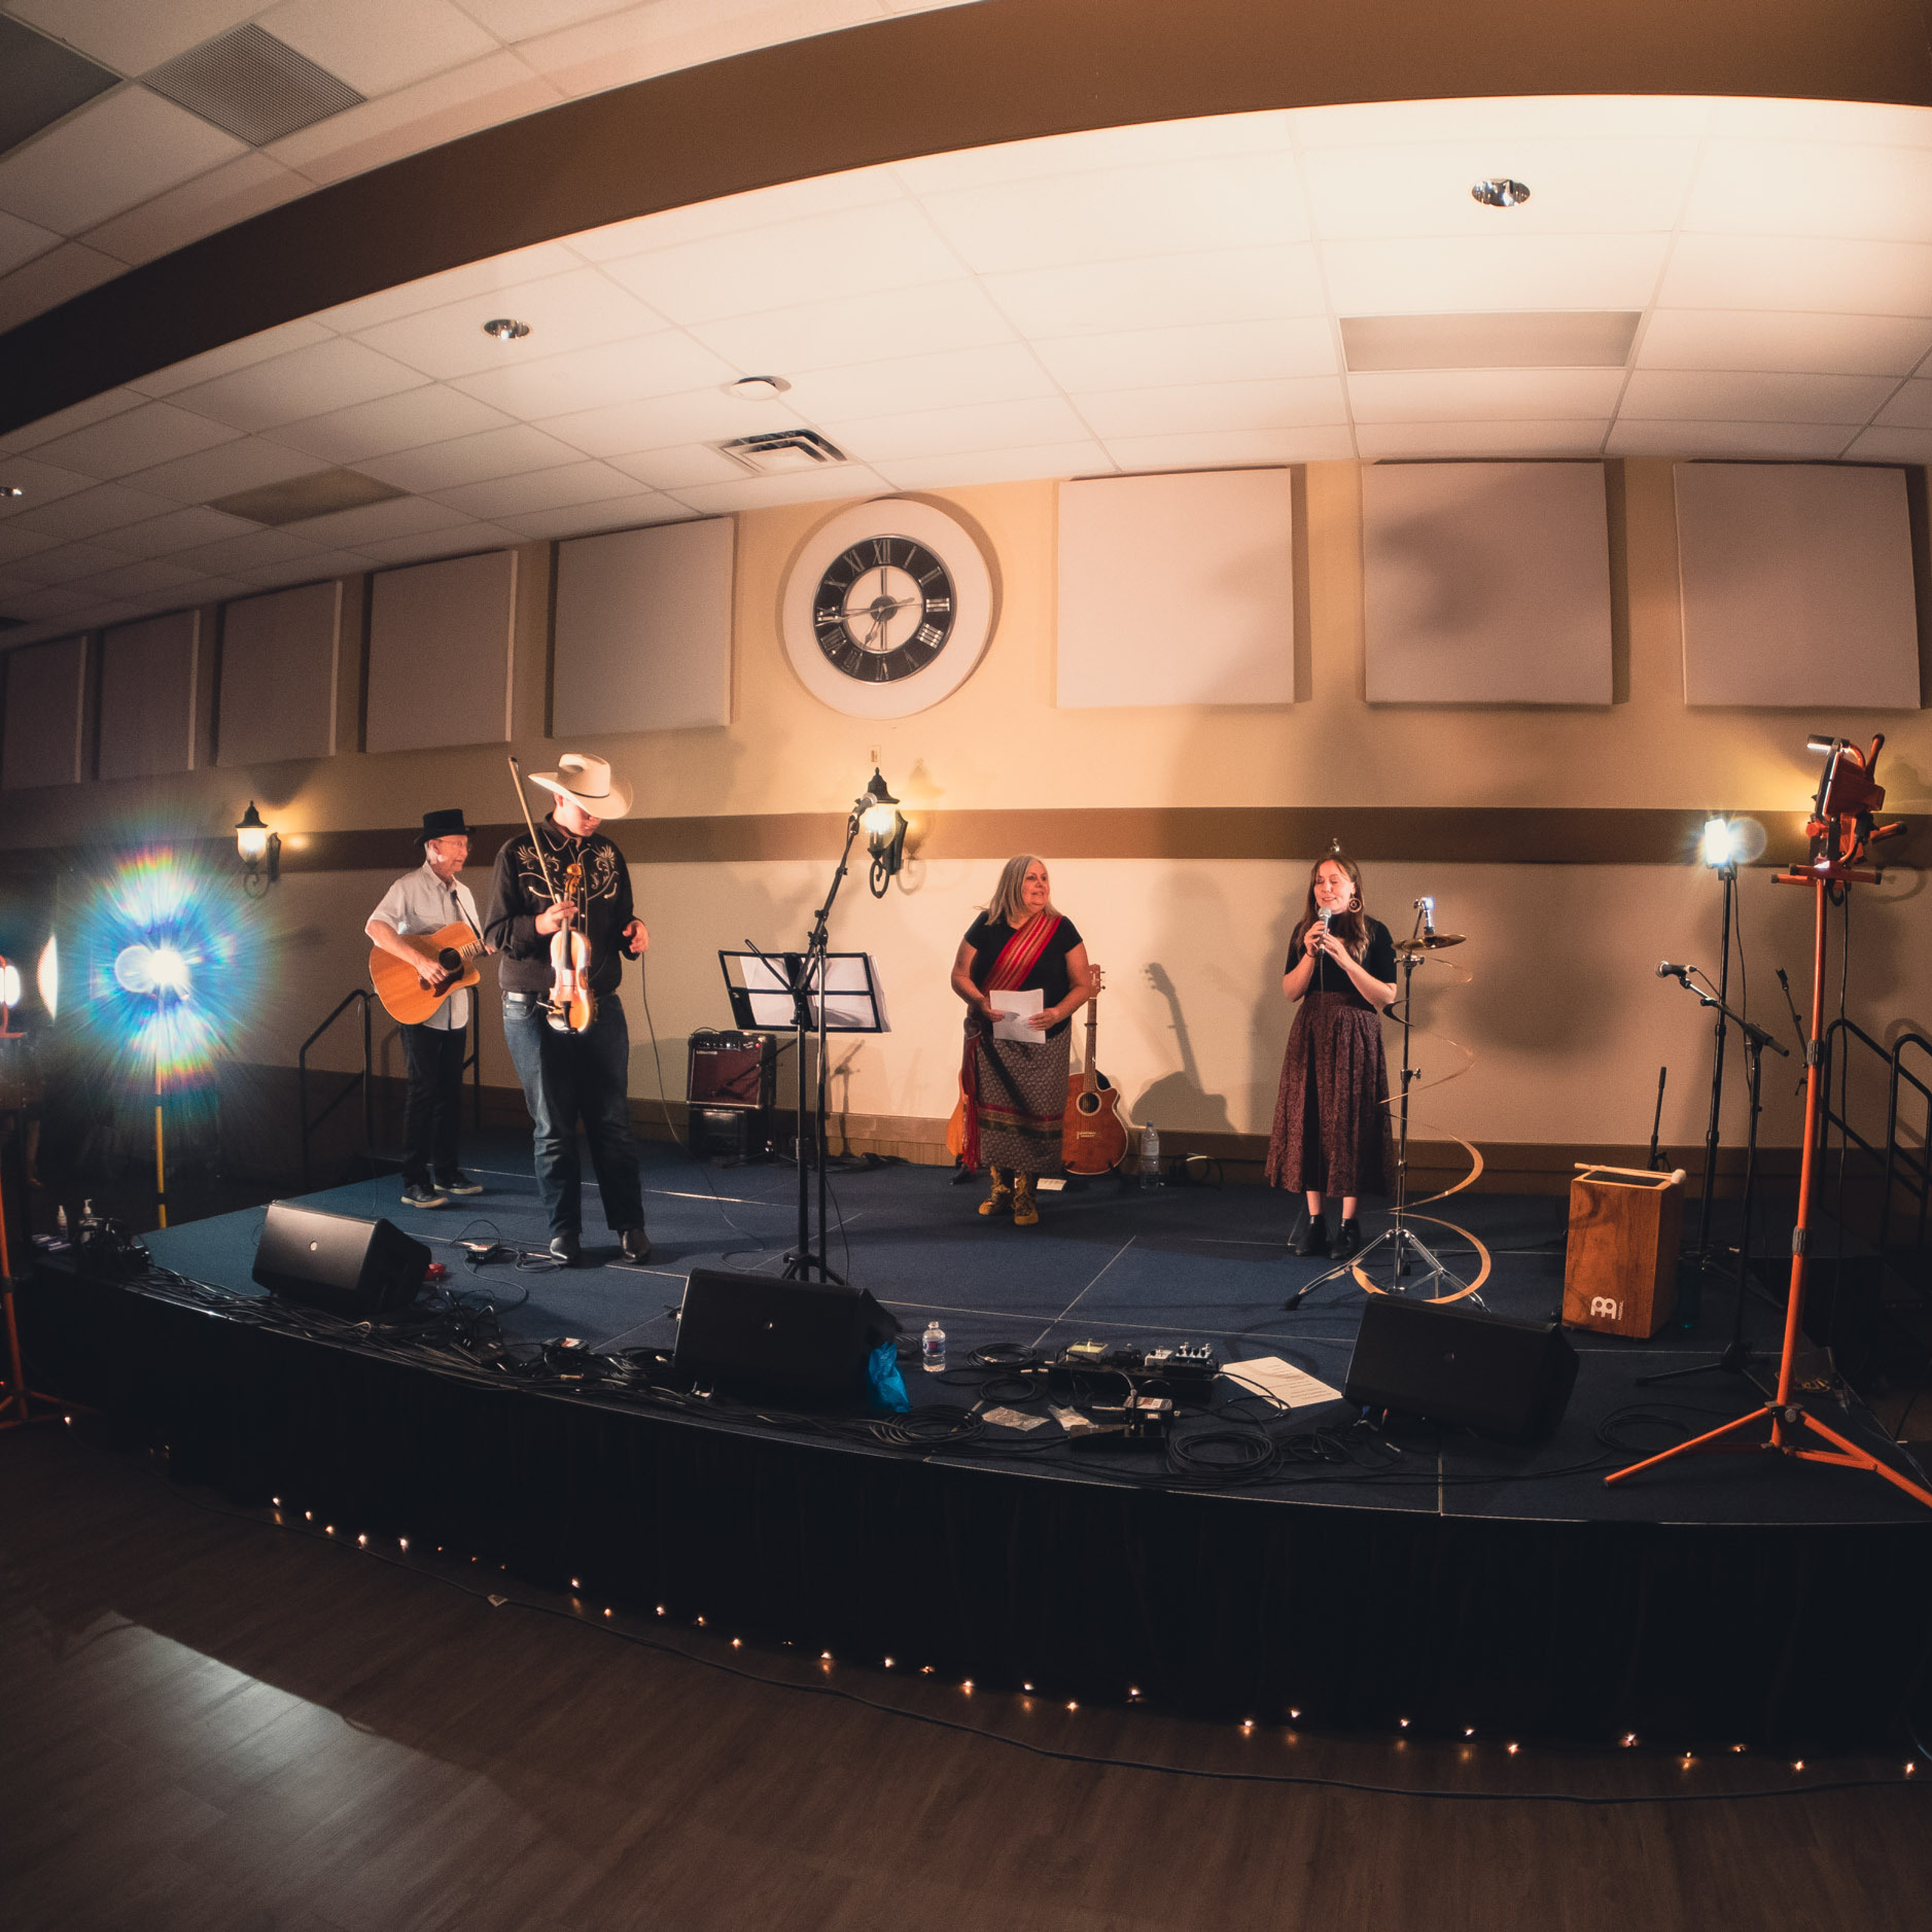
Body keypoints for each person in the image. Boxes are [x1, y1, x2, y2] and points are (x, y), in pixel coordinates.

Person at [484, 753, 651, 1268]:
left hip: (599, 1001)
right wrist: (538, 926)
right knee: (553, 1125)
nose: (595, 817)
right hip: (534, 1006)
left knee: (613, 1121)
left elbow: (620, 920)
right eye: (585, 806)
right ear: (560, 798)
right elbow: (493, 936)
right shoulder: (516, 852)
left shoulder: (608, 853)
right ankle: (564, 1232)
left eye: (600, 808)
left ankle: (630, 1227)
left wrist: (634, 933)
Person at [1266, 850, 1398, 1260]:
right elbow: (1290, 992)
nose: (1326, 888)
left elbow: (1386, 996)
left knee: (1350, 1123)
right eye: (1320, 881)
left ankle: (1350, 1223)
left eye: (1335, 880)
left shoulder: (1375, 933)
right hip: (1311, 1032)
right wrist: (1309, 953)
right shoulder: (1303, 932)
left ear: (1354, 888)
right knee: (1311, 1119)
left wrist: (1345, 958)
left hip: (1356, 1032)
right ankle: (1315, 1221)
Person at [949, 856, 1093, 1226]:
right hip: (995, 1037)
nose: (1041, 885)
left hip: (1046, 1038)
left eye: (1044, 878)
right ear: (1013, 882)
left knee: (1036, 1115)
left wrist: (1058, 1013)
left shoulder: (1061, 928)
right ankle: (1001, 1188)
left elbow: (1083, 984)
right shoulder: (986, 925)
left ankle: (1027, 1193)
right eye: (1032, 878)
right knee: (995, 1114)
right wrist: (980, 1001)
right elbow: (960, 975)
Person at [367, 809, 491, 1209]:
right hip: (419, 1007)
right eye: (457, 844)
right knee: (423, 1092)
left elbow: (466, 949)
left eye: (466, 845)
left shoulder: (465, 894)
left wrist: (484, 948)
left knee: (450, 1093)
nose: (464, 852)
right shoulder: (407, 887)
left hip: (455, 1007)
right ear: (433, 847)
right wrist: (420, 961)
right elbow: (376, 927)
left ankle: (448, 1172)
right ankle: (414, 1179)